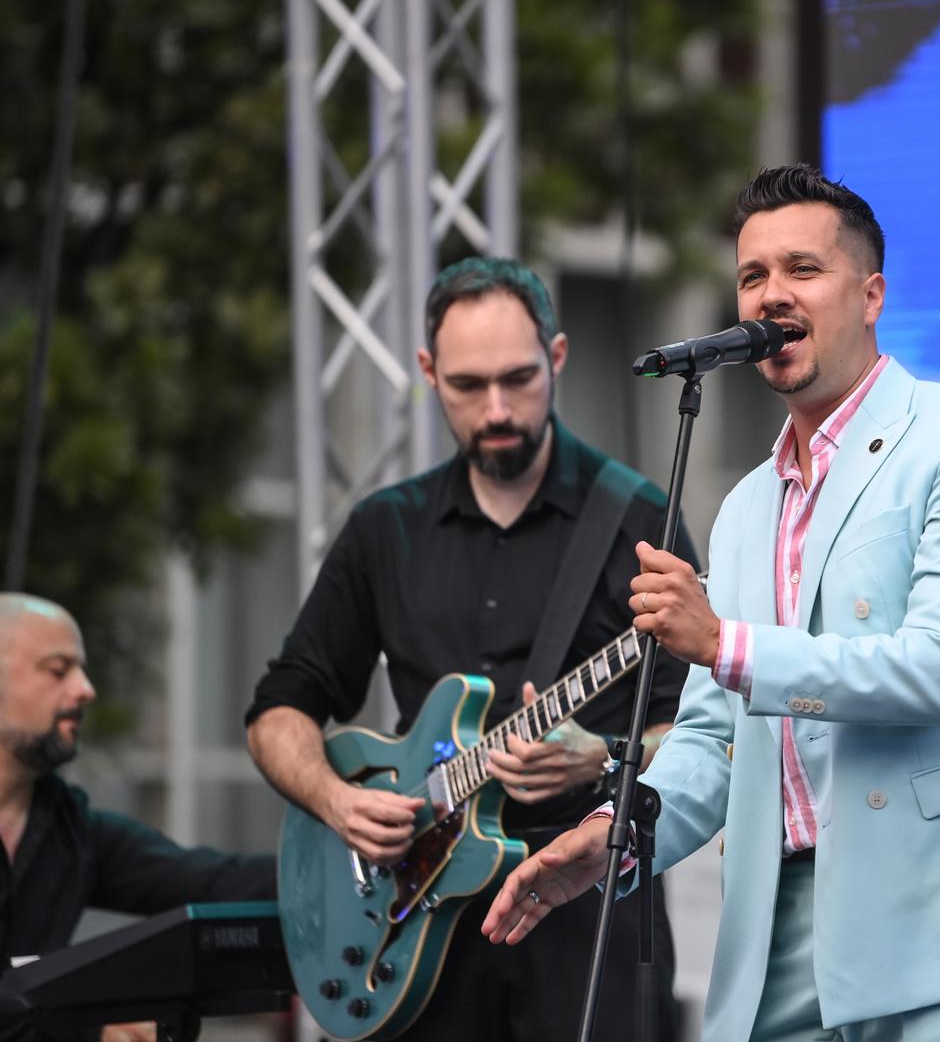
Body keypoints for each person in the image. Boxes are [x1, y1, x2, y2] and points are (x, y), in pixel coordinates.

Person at [483, 165, 940, 1040]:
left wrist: (725, 644)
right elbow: (713, 739)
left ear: (871, 295)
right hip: (781, 929)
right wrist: (614, 833)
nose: (771, 294)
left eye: (802, 269)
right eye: (752, 276)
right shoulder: (747, 507)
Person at [245, 256, 693, 1041]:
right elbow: (279, 709)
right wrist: (338, 801)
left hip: (589, 911)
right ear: (428, 373)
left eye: (518, 379)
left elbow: (700, 734)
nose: (497, 409)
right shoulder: (385, 529)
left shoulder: (638, 520)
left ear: (557, 357)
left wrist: (600, 760)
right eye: (467, 385)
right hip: (420, 928)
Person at [0, 594, 276, 1042]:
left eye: (81, 669)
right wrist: (87, 1028)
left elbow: (217, 881)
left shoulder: (69, 828)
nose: (85, 689)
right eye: (58, 669)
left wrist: (357, 857)